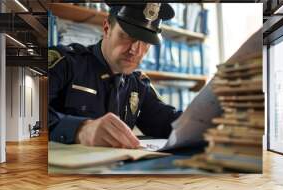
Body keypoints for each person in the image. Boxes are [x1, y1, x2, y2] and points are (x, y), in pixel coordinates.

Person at [48, 3, 182, 149]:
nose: (135, 50)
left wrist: (205, 120)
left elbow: (169, 122)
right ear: (106, 28)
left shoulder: (139, 85)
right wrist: (80, 130)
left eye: (145, 41)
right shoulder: (65, 63)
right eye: (127, 35)